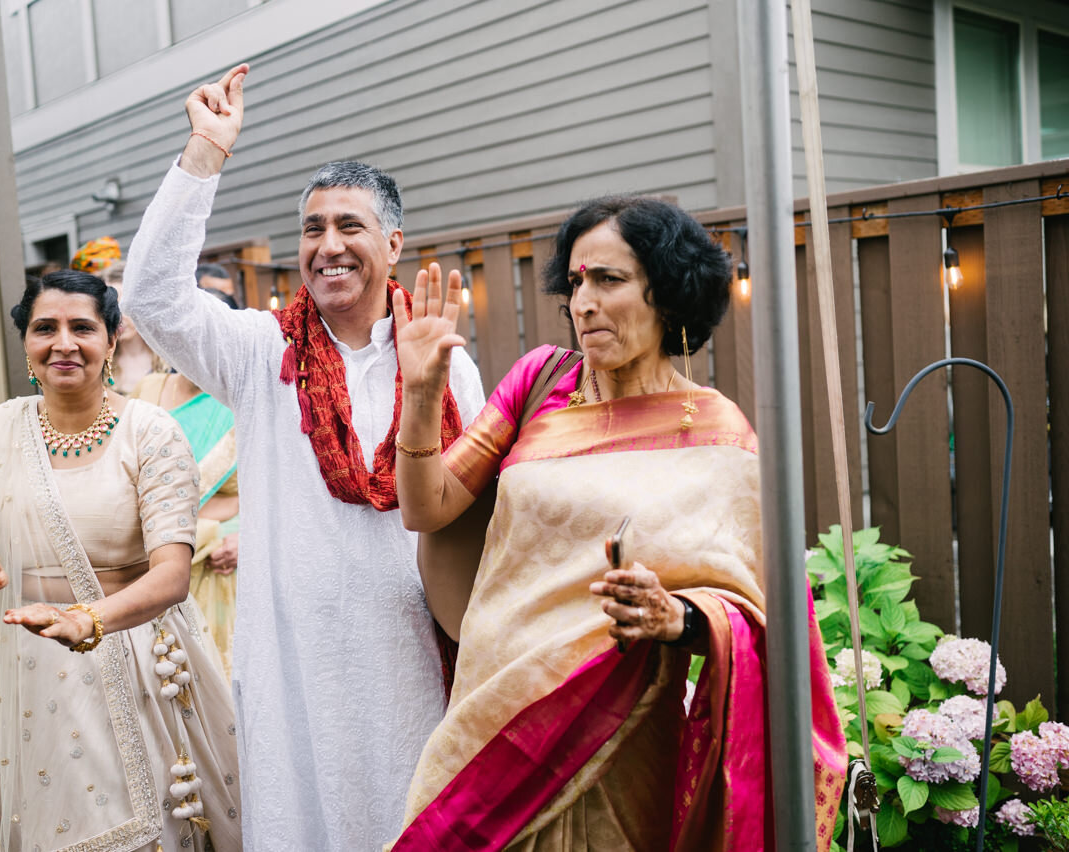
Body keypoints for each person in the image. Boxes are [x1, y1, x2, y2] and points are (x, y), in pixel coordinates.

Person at [389, 196, 846, 850]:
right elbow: (425, 506)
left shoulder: (720, 435)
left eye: (608, 280)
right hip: (494, 718)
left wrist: (679, 619)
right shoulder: (539, 384)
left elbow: (762, 613)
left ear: (667, 293)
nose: (583, 303)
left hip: (624, 735)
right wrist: (421, 396)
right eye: (576, 283)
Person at [121, 64, 486, 851]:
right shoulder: (258, 350)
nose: (328, 246)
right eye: (313, 229)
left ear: (392, 243)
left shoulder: (444, 360)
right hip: (292, 664)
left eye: (349, 226)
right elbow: (150, 297)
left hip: (409, 660)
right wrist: (204, 154)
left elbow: (471, 511)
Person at [0, 270, 241, 852]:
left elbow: (170, 577)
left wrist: (89, 620)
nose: (63, 343)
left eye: (82, 328)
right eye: (45, 328)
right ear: (26, 345)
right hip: (21, 669)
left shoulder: (151, 433)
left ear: (112, 341)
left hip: (133, 655)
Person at [133, 328, 242, 678]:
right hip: (150, 555)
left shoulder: (242, 399)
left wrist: (250, 541)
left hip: (224, 563)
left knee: (215, 677)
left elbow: (284, 488)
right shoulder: (147, 389)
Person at [98, 260, 156, 394]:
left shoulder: (169, 360)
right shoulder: (99, 363)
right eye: (111, 308)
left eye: (124, 306)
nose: (118, 317)